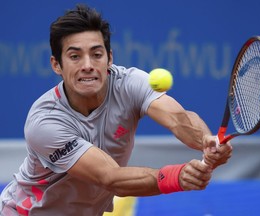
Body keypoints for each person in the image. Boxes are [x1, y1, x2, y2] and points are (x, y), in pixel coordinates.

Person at [0, 4, 232, 216]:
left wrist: (206, 141)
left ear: (109, 58)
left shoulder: (130, 82)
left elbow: (178, 119)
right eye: (75, 56)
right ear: (56, 65)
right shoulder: (45, 122)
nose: (88, 65)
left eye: (96, 54)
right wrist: (176, 177)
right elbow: (109, 177)